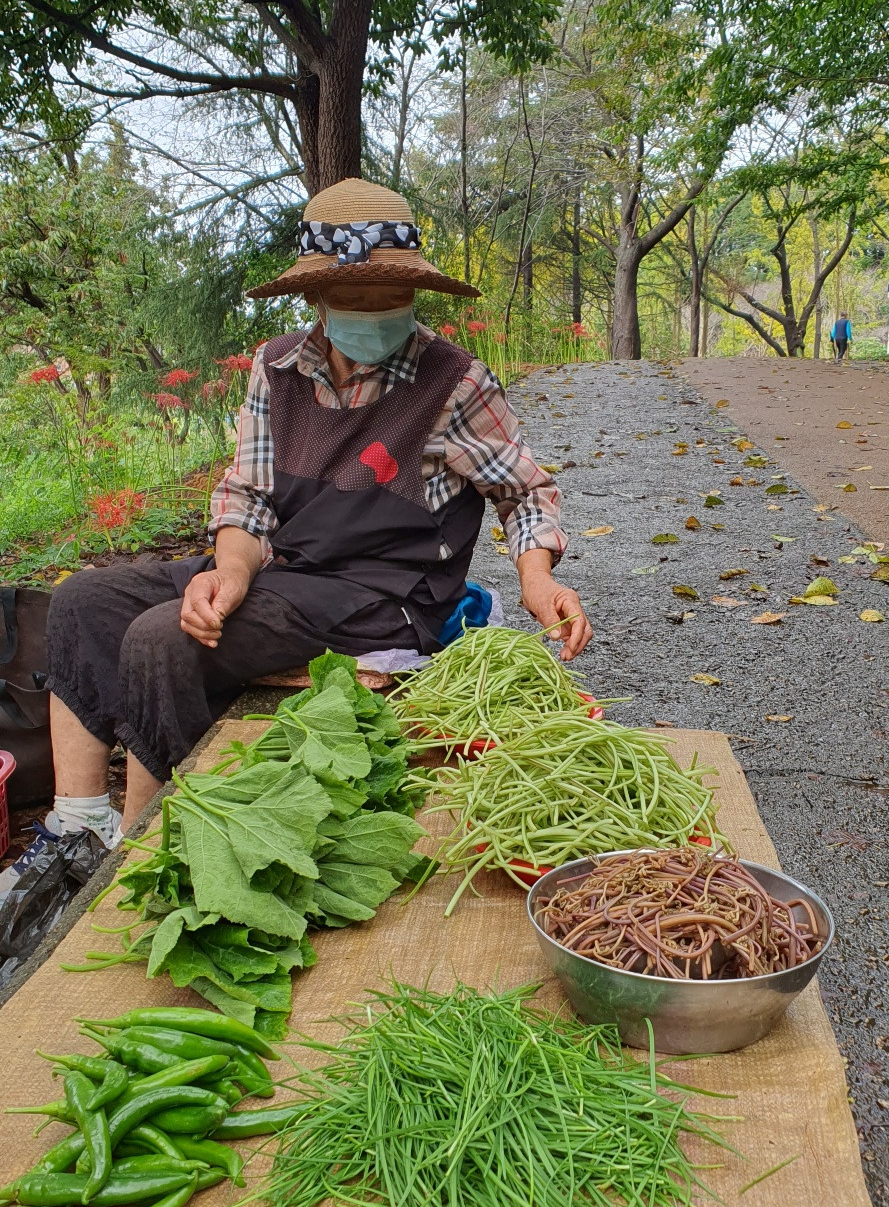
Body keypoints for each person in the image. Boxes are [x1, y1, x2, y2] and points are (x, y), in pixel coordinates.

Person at [44, 179, 592, 844]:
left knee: (162, 641)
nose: (378, 313)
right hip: (288, 572)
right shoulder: (276, 368)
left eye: (394, 297)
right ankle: (77, 825)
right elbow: (247, 496)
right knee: (81, 600)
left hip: (384, 594)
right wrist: (232, 574)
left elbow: (523, 492)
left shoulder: (453, 380)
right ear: (316, 298)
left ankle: (149, 841)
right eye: (356, 297)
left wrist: (538, 577)